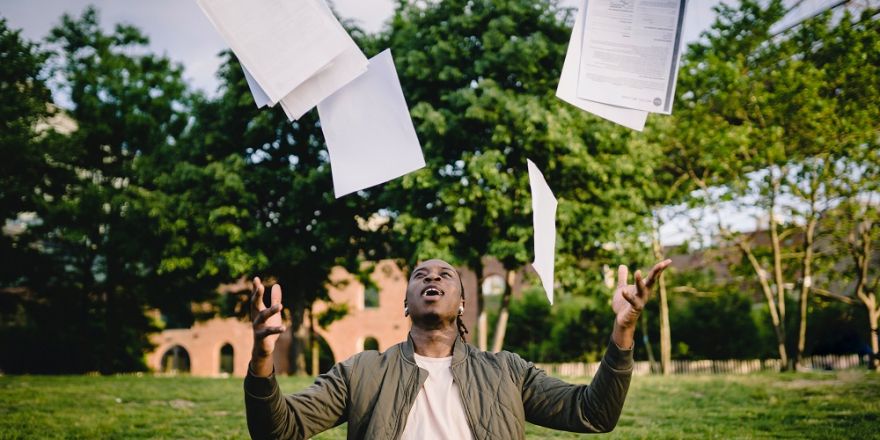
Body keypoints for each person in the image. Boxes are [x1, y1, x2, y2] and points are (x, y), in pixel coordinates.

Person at [244, 258, 671, 439]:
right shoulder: (361, 371)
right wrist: (263, 356)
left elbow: (593, 414)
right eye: (420, 274)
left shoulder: (507, 370)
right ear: (405, 302)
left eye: (445, 274)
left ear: (463, 302)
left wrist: (624, 331)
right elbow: (278, 430)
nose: (433, 277)